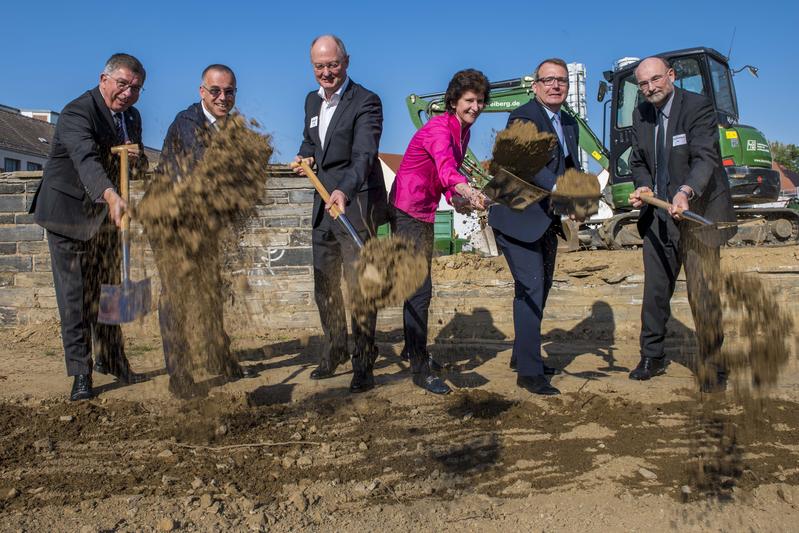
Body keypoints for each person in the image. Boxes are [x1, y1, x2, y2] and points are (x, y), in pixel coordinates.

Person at [30, 53, 149, 401]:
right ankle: (81, 372)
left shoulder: (132, 117)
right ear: (104, 80)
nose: (128, 93)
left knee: (110, 293)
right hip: (69, 215)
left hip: (108, 218)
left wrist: (137, 161)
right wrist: (111, 196)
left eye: (136, 88)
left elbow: (134, 165)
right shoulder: (77, 112)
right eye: (123, 84)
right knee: (77, 297)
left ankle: (112, 360)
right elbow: (86, 160)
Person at [628, 56, 735, 392]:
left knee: (703, 294)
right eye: (643, 84)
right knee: (655, 292)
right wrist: (644, 185)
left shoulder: (698, 107)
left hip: (697, 215)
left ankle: (713, 363)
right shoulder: (641, 113)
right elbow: (639, 159)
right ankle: (652, 355)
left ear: (671, 76)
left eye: (655, 80)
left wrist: (686, 192)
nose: (649, 88)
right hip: (659, 216)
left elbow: (706, 157)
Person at [148, 64, 255, 399]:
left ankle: (216, 355)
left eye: (230, 91)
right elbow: (205, 166)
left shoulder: (231, 126)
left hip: (203, 223)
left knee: (209, 289)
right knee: (177, 297)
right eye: (216, 91)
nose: (223, 98)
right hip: (171, 223)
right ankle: (179, 376)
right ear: (202, 92)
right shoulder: (188, 123)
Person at [293, 35, 388, 393]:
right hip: (322, 206)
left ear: (346, 61)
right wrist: (306, 157)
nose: (327, 72)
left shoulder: (366, 101)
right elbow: (310, 140)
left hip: (355, 204)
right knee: (326, 286)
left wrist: (343, 190)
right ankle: (335, 349)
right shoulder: (310, 101)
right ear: (312, 66)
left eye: (333, 64)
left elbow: (365, 154)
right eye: (319, 66)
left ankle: (364, 361)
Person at [389, 69, 489, 394]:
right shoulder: (438, 129)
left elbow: (443, 176)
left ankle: (412, 350)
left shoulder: (464, 133)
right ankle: (419, 369)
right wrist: (469, 192)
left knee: (417, 289)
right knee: (419, 290)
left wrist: (455, 199)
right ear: (454, 102)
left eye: (480, 101)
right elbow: (446, 168)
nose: (476, 107)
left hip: (425, 213)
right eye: (469, 100)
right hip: (407, 211)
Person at [488, 58, 580, 396]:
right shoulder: (524, 115)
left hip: (546, 221)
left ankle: (521, 355)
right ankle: (529, 372)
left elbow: (570, 165)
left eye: (562, 81)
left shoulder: (568, 122)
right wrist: (560, 189)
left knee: (537, 289)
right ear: (536, 85)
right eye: (549, 80)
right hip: (517, 218)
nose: (556, 86)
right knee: (531, 289)